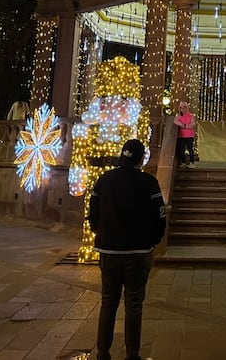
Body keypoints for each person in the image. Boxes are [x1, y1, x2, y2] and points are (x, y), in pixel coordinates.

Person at [89, 139, 166, 360]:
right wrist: (154, 239)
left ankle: (103, 352)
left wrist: (101, 233)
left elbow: (92, 213)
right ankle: (132, 354)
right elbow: (160, 215)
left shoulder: (104, 181)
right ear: (142, 159)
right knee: (134, 303)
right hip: (139, 252)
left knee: (108, 302)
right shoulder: (148, 182)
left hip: (109, 250)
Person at [173, 101, 197, 168]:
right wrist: (182, 124)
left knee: (190, 149)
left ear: (187, 108)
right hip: (181, 135)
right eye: (181, 108)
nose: (183, 109)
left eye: (184, 108)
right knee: (181, 149)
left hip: (189, 135)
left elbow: (192, 124)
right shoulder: (178, 116)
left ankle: (192, 162)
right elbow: (175, 121)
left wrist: (185, 126)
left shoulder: (191, 116)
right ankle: (183, 162)